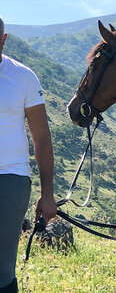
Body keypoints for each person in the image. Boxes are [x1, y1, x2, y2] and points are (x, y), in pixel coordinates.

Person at [0, 17, 57, 292]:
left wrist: (48, 195)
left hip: (10, 179)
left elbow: (42, 139)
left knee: (2, 271)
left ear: (4, 40)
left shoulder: (23, 77)